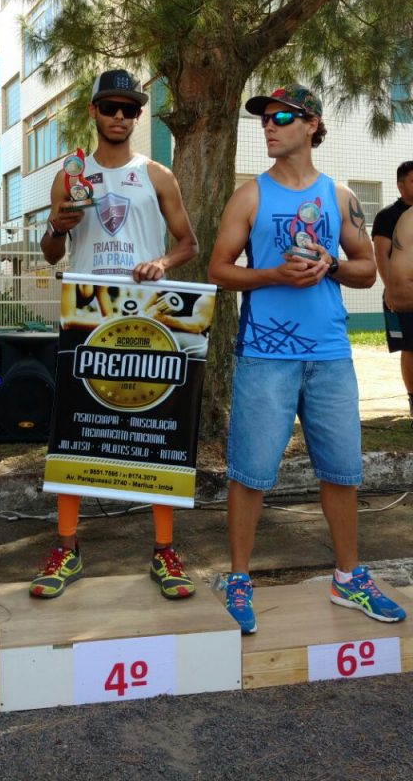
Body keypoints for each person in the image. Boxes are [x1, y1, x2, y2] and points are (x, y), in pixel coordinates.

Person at [208, 83, 406, 634]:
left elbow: (366, 268)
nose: (268, 127)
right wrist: (273, 274)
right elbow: (219, 269)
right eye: (264, 119)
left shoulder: (339, 196)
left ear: (312, 124)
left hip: (330, 355)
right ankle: (239, 578)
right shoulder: (249, 196)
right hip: (264, 355)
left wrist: (330, 265)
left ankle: (348, 577)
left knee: (342, 471)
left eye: (281, 118)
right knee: (250, 473)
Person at [31, 67, 198, 600]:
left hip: (146, 315)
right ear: (94, 112)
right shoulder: (70, 175)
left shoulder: (156, 174)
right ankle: (67, 547)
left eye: (130, 109)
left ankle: (164, 550)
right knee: (75, 428)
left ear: (138, 116)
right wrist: (57, 225)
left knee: (158, 429)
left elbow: (188, 243)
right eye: (111, 108)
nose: (120, 117)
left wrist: (161, 262)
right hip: (86, 312)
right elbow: (50, 253)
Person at [372, 162, 413, 422]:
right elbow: (381, 254)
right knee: (410, 347)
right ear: (400, 185)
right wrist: (391, 288)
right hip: (401, 294)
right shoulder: (388, 216)